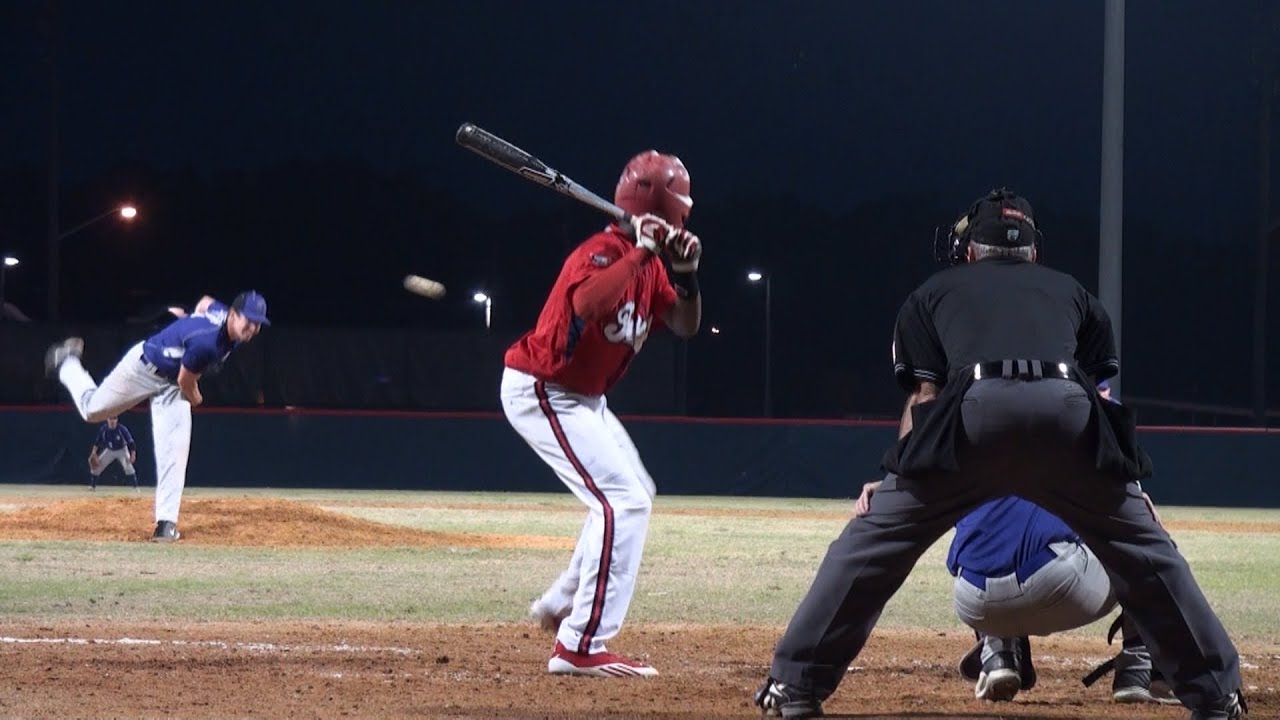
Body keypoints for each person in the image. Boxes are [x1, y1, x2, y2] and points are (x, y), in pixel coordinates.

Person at [754, 189, 1245, 720]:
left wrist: (896, 473)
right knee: (1146, 551)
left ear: (970, 251)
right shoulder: (1071, 291)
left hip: (975, 414)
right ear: (1033, 252)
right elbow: (1102, 400)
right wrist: (1128, 491)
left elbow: (925, 398)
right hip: (1066, 411)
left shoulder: (935, 290)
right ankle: (1218, 697)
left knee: (871, 543)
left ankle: (793, 687)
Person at [501, 150, 702, 678]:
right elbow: (590, 305)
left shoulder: (654, 262)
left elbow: (684, 325)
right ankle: (580, 646)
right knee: (624, 503)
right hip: (545, 389)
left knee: (635, 493)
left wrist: (685, 275)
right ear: (668, 205)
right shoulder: (601, 251)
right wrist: (638, 253)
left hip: (585, 399)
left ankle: (561, 603)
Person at [854, 477, 1177, 705]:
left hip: (974, 602)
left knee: (989, 547)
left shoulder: (967, 449)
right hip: (1062, 587)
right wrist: (1133, 491)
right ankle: (1139, 670)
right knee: (1137, 548)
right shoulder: (1065, 438)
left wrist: (885, 488)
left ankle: (998, 657)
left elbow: (920, 481)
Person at [45, 291, 269, 543]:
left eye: (258, 323)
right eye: (248, 320)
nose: (252, 328)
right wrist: (198, 400)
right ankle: (67, 363)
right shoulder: (207, 343)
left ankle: (166, 524)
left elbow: (206, 302)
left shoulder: (222, 316)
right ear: (233, 314)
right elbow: (187, 382)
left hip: (170, 384)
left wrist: (192, 317)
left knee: (175, 449)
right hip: (143, 369)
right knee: (92, 410)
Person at [88, 416, 140, 492]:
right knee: (96, 468)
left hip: (122, 450)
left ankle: (135, 488)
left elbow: (131, 442)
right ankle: (93, 487)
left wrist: (133, 454)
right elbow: (97, 442)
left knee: (128, 467)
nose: (112, 421)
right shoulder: (104, 429)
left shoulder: (121, 429)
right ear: (107, 420)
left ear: (117, 420)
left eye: (114, 419)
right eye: (110, 419)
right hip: (109, 450)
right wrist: (93, 452)